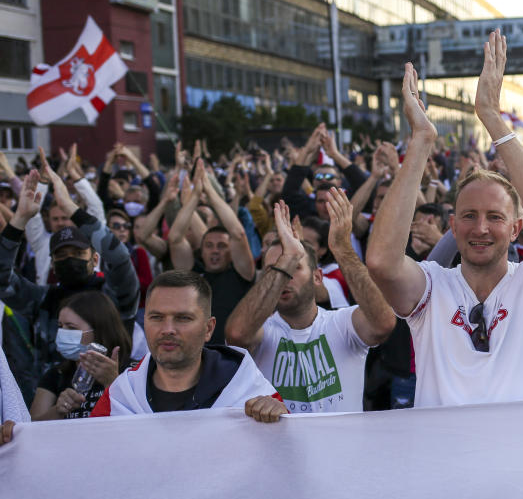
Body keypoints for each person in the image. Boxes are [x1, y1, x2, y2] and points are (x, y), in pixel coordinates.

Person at [366, 31, 523, 407]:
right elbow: (382, 262)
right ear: (452, 225)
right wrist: (421, 140)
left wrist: (492, 119)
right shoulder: (432, 287)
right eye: (468, 216)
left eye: (495, 217)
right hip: (448, 464)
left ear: (516, 228)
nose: (480, 228)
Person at [225, 194, 394, 413]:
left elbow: (383, 323)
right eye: (274, 270)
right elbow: (237, 335)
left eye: (294, 267)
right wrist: (289, 257)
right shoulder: (263, 331)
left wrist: (342, 248)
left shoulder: (342, 323)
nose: (284, 277)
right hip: (279, 448)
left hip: (343, 447)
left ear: (317, 277)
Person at [0, 169, 139, 390]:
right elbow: (2, 280)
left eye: (77, 253)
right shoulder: (42, 299)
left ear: (94, 258)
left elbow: (120, 259)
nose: (69, 259)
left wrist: (72, 210)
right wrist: (19, 220)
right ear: (52, 264)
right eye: (62, 255)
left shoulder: (116, 296)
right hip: (51, 404)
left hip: (113, 401)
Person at [91, 270, 286, 422]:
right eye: (157, 317)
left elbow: (286, 455)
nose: (168, 329)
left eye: (183, 318)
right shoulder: (120, 397)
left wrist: (280, 418)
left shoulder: (250, 391)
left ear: (208, 329)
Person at [169, 161, 255, 345]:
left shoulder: (242, 273)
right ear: (202, 250)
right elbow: (175, 238)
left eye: (222, 246)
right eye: (209, 245)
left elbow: (238, 234)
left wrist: (209, 190)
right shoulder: (193, 275)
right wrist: (192, 199)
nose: (215, 250)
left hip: (233, 357)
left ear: (231, 251)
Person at [30, 291, 132, 420]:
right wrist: (58, 411)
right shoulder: (56, 375)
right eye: (60, 326)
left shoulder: (133, 371)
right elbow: (31, 427)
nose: (62, 333)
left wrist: (112, 382)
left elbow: (141, 420)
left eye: (72, 328)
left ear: (99, 330)